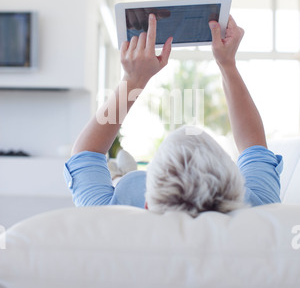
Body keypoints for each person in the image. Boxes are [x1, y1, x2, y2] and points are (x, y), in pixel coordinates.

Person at [64, 14, 282, 216]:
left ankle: (119, 175)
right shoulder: (259, 210)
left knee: (124, 181)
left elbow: (86, 152)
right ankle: (120, 174)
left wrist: (133, 80)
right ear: (237, 189)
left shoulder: (112, 214)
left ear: (146, 204)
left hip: (133, 194)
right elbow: (253, 145)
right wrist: (228, 64)